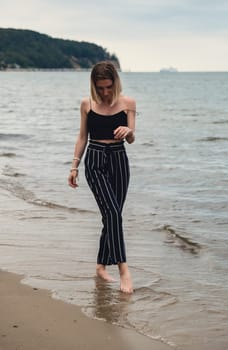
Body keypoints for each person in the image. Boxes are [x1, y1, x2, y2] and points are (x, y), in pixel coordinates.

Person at [68, 61, 136, 294]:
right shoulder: (87, 104)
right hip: (95, 160)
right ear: (94, 85)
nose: (105, 92)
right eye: (100, 88)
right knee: (113, 214)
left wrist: (128, 132)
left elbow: (131, 138)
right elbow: (82, 136)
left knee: (112, 215)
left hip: (119, 159)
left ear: (115, 82)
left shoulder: (128, 103)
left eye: (108, 87)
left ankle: (100, 265)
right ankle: (124, 271)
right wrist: (74, 166)